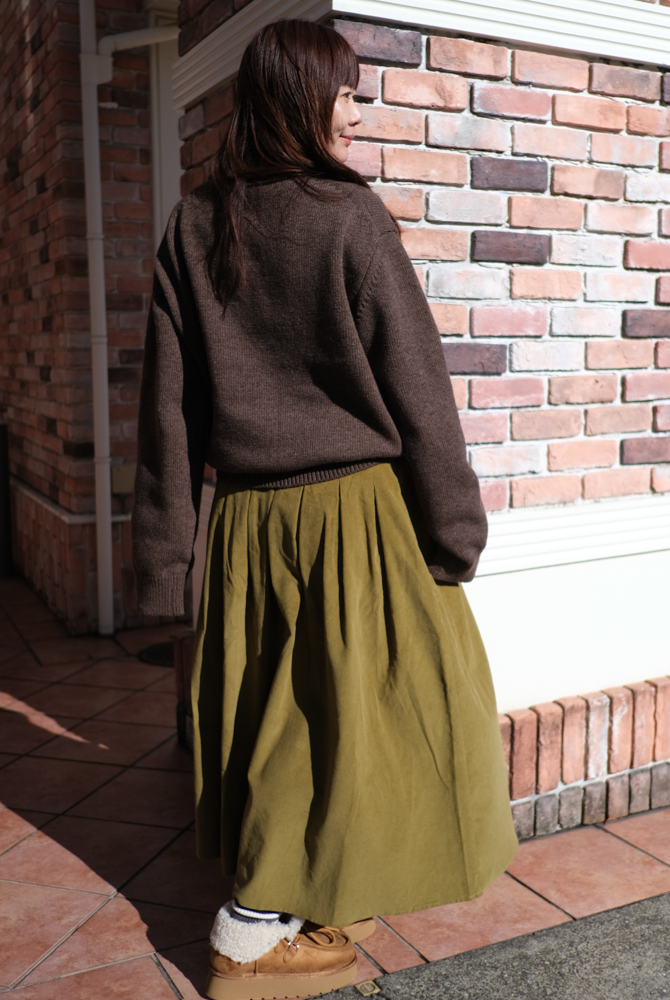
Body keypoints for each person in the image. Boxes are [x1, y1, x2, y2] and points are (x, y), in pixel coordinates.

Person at [133, 18, 517, 1000]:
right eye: (343, 94)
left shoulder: (190, 225)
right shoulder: (351, 219)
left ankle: (303, 896)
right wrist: (454, 535)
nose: (357, 113)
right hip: (356, 522)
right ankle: (250, 934)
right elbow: (421, 394)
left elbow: (167, 416)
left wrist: (167, 566)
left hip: (245, 525)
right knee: (354, 722)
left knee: (280, 719)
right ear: (296, 100)